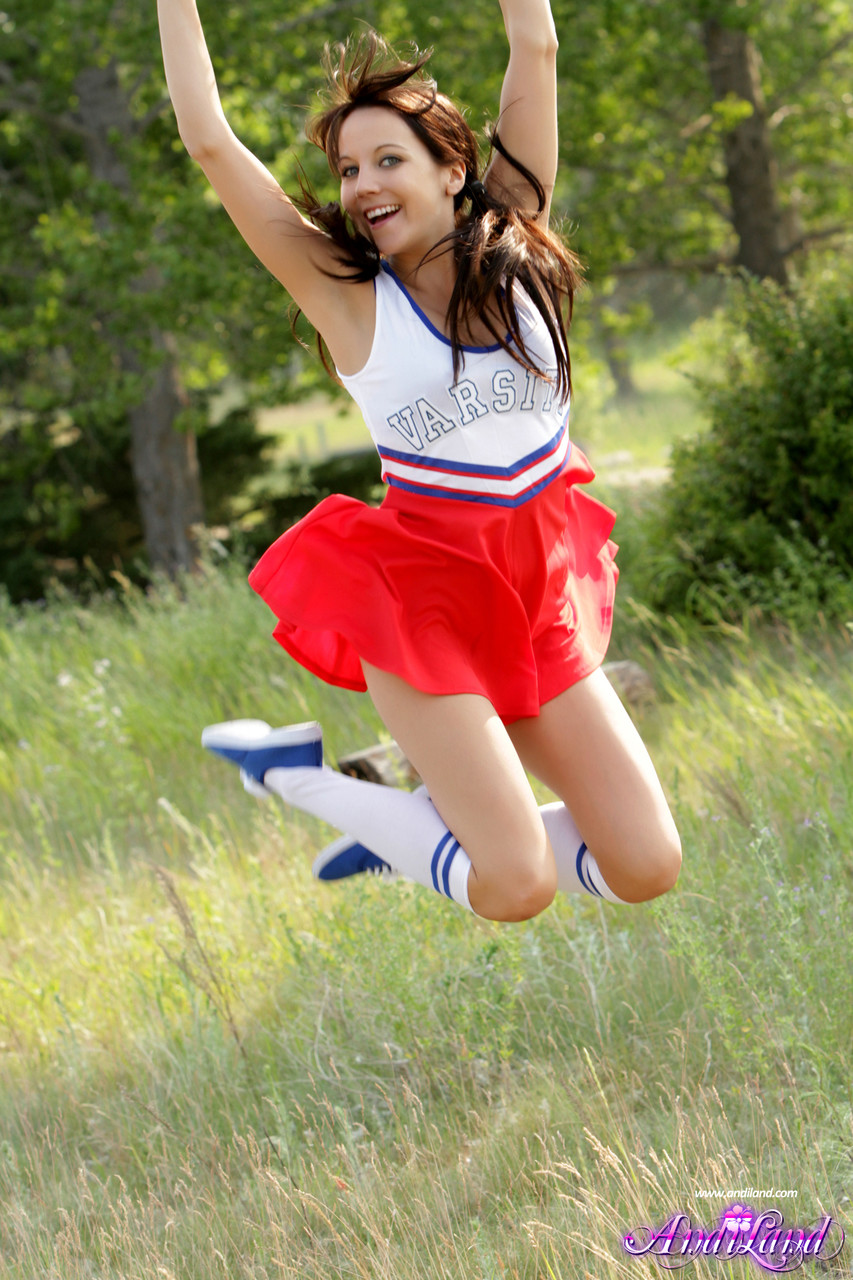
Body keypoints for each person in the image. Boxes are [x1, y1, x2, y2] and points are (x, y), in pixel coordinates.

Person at [157, 0, 681, 922]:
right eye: (347, 169)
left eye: (386, 160)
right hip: (422, 606)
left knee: (646, 865)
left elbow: (536, 42)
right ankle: (296, 776)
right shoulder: (350, 301)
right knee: (514, 886)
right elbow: (208, 139)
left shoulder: (520, 251)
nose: (361, 185)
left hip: (536, 598)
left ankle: (414, 832)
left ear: (452, 170)